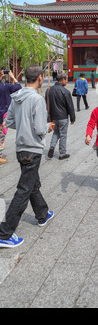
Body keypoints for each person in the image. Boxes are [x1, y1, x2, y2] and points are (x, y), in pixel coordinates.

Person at [0, 66, 55, 249]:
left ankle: (42, 214)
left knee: (32, 183)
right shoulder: (37, 99)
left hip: (21, 148)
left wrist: (24, 126)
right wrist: (49, 126)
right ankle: (5, 233)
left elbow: (9, 122)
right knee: (24, 189)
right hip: (33, 149)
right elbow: (40, 129)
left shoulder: (17, 97)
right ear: (40, 78)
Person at [46, 72, 76, 160]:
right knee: (63, 134)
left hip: (53, 117)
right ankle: (62, 153)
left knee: (56, 132)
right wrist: (72, 118)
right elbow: (70, 106)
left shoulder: (49, 90)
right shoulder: (65, 91)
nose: (66, 81)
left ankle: (52, 146)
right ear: (62, 80)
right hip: (63, 117)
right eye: (66, 79)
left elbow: (46, 103)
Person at [0, 70, 22, 165]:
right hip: (3, 114)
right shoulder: (5, 86)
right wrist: (12, 77)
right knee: (1, 136)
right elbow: (18, 87)